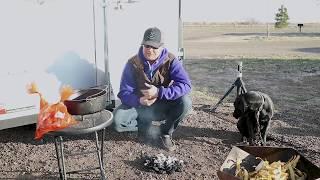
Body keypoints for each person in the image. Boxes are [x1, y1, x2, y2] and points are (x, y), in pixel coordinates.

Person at [113, 27, 192, 151]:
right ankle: (144, 125)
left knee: (186, 102)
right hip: (140, 105)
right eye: (147, 46)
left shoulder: (171, 60)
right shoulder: (132, 63)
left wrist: (159, 92)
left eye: (154, 47)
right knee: (118, 121)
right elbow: (124, 93)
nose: (150, 50)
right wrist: (139, 100)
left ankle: (165, 132)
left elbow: (186, 85)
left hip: (161, 103)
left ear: (162, 47)